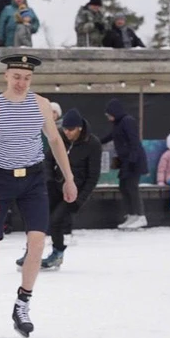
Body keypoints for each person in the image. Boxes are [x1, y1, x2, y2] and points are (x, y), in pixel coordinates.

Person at [0, 54, 77, 338]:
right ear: (6, 77)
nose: (22, 82)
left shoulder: (42, 105)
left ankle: (23, 303)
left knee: (37, 243)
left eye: (27, 78)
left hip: (34, 180)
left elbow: (56, 142)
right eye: (16, 77)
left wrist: (69, 178)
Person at [37, 108, 102, 270]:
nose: (67, 133)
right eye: (65, 129)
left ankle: (57, 254)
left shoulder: (92, 144)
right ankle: (32, 253)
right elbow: (47, 160)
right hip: (54, 186)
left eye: (71, 129)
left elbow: (92, 176)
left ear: (79, 128)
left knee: (56, 221)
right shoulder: (59, 136)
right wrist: (50, 181)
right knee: (40, 219)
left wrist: (80, 199)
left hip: (74, 192)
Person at [103, 98, 149, 229]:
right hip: (126, 161)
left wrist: (132, 161)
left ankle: (141, 216)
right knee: (124, 187)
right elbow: (110, 136)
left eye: (109, 115)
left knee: (132, 187)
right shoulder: (118, 123)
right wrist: (96, 141)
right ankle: (132, 214)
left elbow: (134, 142)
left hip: (133, 161)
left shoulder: (128, 121)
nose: (108, 118)